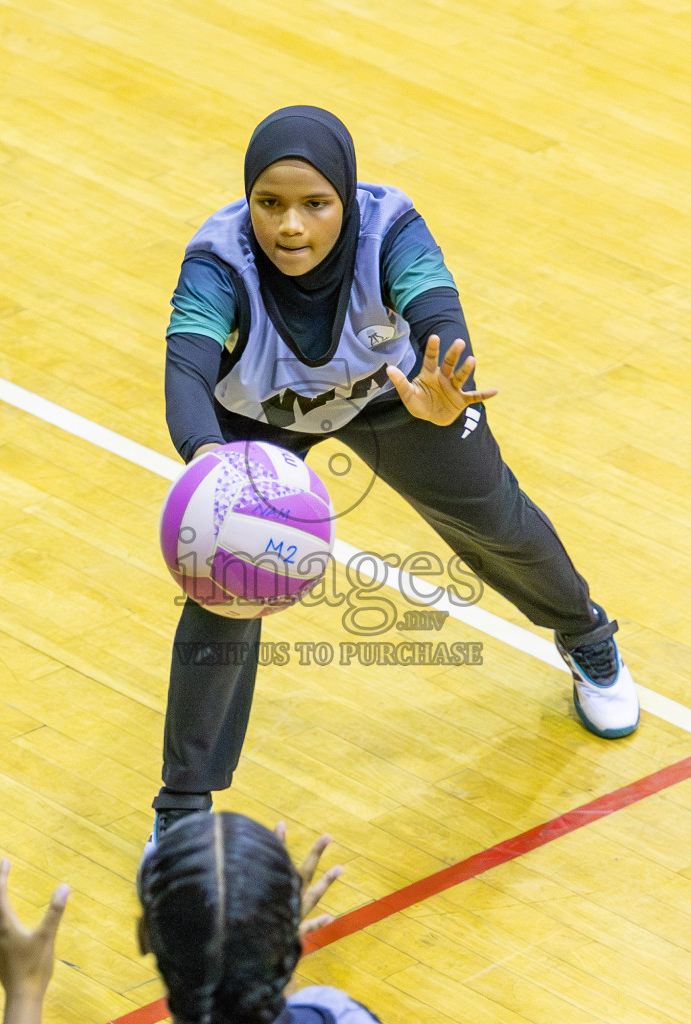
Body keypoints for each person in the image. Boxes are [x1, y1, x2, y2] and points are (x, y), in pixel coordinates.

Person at [155, 105, 640, 845]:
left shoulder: (392, 229)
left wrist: (447, 391)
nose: (291, 227)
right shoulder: (218, 259)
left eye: (315, 205)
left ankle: (586, 635)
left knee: (495, 520)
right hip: (258, 420)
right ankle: (183, 810)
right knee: (225, 584)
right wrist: (206, 458)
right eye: (270, 204)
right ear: (247, 199)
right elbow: (186, 366)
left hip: (400, 398)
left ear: (346, 199)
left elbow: (438, 312)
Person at [0, 813, 380, 1023]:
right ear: (287, 946)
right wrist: (265, 945)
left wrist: (25, 991)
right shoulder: (338, 1014)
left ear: (145, 936)